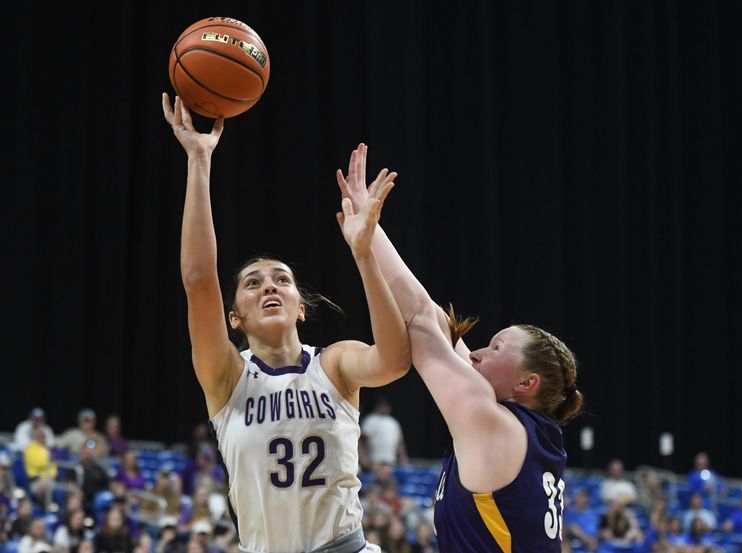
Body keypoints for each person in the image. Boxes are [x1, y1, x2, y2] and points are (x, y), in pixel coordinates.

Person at [161, 94, 410, 553]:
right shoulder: (228, 377)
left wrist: (364, 255)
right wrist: (199, 159)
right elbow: (198, 280)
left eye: (282, 280)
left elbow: (395, 360)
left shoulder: (334, 365)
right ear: (234, 318)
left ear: (300, 306)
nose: (270, 286)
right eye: (253, 284)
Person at [336, 143, 584, 552]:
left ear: (526, 382)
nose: (478, 353)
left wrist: (365, 241)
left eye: (496, 348)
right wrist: (369, 222)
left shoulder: (490, 421)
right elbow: (431, 316)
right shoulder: (529, 433)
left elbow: (416, 321)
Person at [360, 396, 409, 470]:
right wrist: (364, 458)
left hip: (390, 462)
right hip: (374, 462)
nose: (384, 408)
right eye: (382, 405)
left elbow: (400, 443)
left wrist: (403, 458)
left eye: (386, 406)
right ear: (377, 406)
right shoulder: (370, 420)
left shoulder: (394, 422)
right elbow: (361, 442)